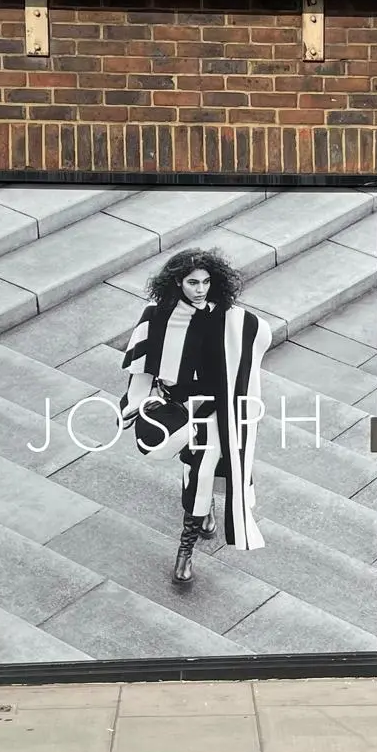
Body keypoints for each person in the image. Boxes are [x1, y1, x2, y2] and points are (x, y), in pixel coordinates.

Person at [117, 248, 269, 585]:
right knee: (191, 463)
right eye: (192, 282)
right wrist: (137, 405)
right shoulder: (156, 317)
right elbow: (141, 368)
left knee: (203, 470)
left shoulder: (229, 318)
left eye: (205, 281)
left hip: (216, 410)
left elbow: (250, 352)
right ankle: (203, 515)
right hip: (176, 408)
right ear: (177, 282)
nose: (200, 288)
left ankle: (186, 548)